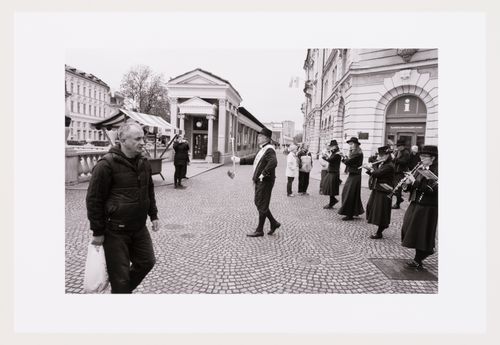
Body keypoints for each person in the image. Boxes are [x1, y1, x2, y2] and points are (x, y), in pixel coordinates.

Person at [86, 121, 160, 293]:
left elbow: (149, 190)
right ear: (123, 140)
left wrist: (153, 215)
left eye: (143, 138)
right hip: (115, 232)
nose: (143, 142)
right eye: (137, 139)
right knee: (120, 277)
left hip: (139, 228)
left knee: (147, 261)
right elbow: (94, 200)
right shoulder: (106, 165)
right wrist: (97, 232)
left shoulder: (144, 162)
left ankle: (121, 292)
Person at [231, 127, 281, 237]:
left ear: (267, 138)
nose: (258, 138)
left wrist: (264, 174)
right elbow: (254, 159)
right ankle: (273, 223)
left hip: (265, 181)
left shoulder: (269, 149)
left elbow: (273, 162)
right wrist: (239, 160)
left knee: (261, 203)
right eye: (258, 136)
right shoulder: (262, 149)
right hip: (260, 181)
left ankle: (260, 230)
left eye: (260, 137)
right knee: (260, 203)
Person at [400, 145, 438, 270]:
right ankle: (423, 253)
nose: (421, 158)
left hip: (428, 205)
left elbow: (431, 189)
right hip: (415, 202)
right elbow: (414, 187)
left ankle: (419, 258)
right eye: (421, 156)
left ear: (432, 158)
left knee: (421, 232)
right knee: (407, 227)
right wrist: (407, 183)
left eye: (424, 156)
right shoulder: (420, 168)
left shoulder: (437, 170)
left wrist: (414, 182)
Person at [364, 145, 395, 239]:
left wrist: (369, 169)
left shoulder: (389, 165)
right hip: (378, 189)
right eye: (380, 155)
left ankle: (379, 232)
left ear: (387, 155)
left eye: (382, 155)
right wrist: (374, 164)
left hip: (385, 190)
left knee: (382, 212)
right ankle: (378, 228)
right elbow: (376, 171)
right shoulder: (382, 163)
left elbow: (377, 174)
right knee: (370, 207)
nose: (380, 157)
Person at [338, 137, 364, 220]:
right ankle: (355, 211)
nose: (350, 146)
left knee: (349, 193)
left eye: (352, 144)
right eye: (350, 144)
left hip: (355, 175)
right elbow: (349, 161)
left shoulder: (357, 153)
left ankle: (349, 214)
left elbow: (347, 162)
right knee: (352, 194)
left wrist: (342, 157)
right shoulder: (355, 152)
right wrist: (345, 157)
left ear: (356, 144)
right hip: (354, 174)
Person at [322, 140, 342, 209]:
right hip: (331, 172)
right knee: (329, 187)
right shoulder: (334, 152)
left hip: (334, 173)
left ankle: (332, 202)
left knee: (331, 188)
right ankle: (332, 200)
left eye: (331, 146)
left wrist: (324, 157)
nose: (330, 147)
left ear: (335, 146)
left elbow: (331, 160)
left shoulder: (337, 153)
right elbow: (330, 159)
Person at [392, 139, 410, 209]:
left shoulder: (406, 153)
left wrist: (394, 159)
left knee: (397, 188)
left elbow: (404, 162)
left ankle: (397, 204)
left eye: (399, 146)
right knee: (395, 188)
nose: (398, 147)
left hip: (401, 172)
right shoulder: (397, 152)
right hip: (396, 172)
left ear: (403, 146)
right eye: (397, 146)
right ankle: (399, 199)